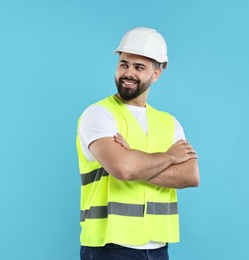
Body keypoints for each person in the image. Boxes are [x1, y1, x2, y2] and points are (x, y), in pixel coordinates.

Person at [76, 27, 200, 260]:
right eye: (124, 64)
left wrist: (133, 156)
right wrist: (170, 157)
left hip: (158, 248)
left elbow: (191, 176)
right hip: (109, 248)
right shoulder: (99, 114)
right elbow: (124, 168)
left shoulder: (168, 122)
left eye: (139, 67)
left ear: (156, 74)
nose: (128, 72)